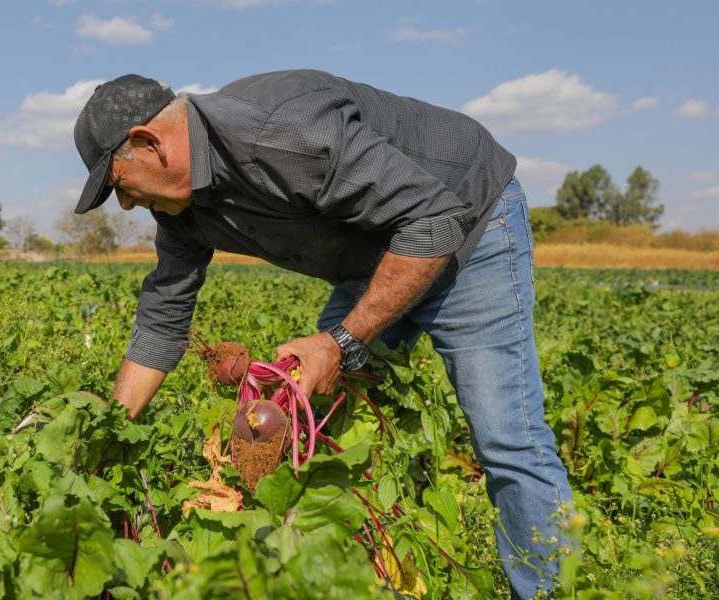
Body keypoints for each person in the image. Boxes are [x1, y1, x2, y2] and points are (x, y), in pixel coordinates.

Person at [73, 69, 573, 599]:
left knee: (505, 436)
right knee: (312, 425)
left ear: (149, 143)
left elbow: (434, 223)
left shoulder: (278, 132)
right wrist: (109, 431)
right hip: (376, 258)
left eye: (119, 187)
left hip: (468, 227)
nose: (125, 206)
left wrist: (342, 342)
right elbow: (163, 315)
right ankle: (356, 575)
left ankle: (544, 591)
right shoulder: (182, 211)